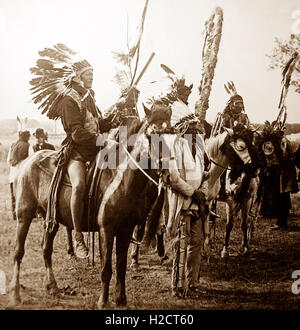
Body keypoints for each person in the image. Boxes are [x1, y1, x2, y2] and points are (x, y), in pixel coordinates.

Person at [160, 77, 210, 298]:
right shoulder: (175, 146)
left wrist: (205, 191)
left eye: (197, 125)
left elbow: (203, 174)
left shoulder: (198, 148)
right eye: (193, 125)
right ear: (183, 127)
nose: (197, 127)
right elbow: (172, 177)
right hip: (182, 203)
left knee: (196, 243)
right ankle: (177, 287)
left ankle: (191, 283)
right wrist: (193, 192)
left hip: (198, 203)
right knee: (181, 244)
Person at [257, 122, 299, 230]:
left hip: (279, 174)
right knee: (282, 198)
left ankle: (281, 223)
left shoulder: (276, 143)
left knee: (280, 198)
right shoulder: (282, 142)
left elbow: (273, 159)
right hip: (283, 173)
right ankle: (281, 221)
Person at [7, 130, 32, 220]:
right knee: (25, 195)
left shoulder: (12, 145)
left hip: (12, 176)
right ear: (27, 137)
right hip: (23, 176)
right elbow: (32, 161)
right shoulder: (28, 146)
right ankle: (26, 214)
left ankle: (15, 215)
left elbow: (8, 160)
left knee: (14, 196)